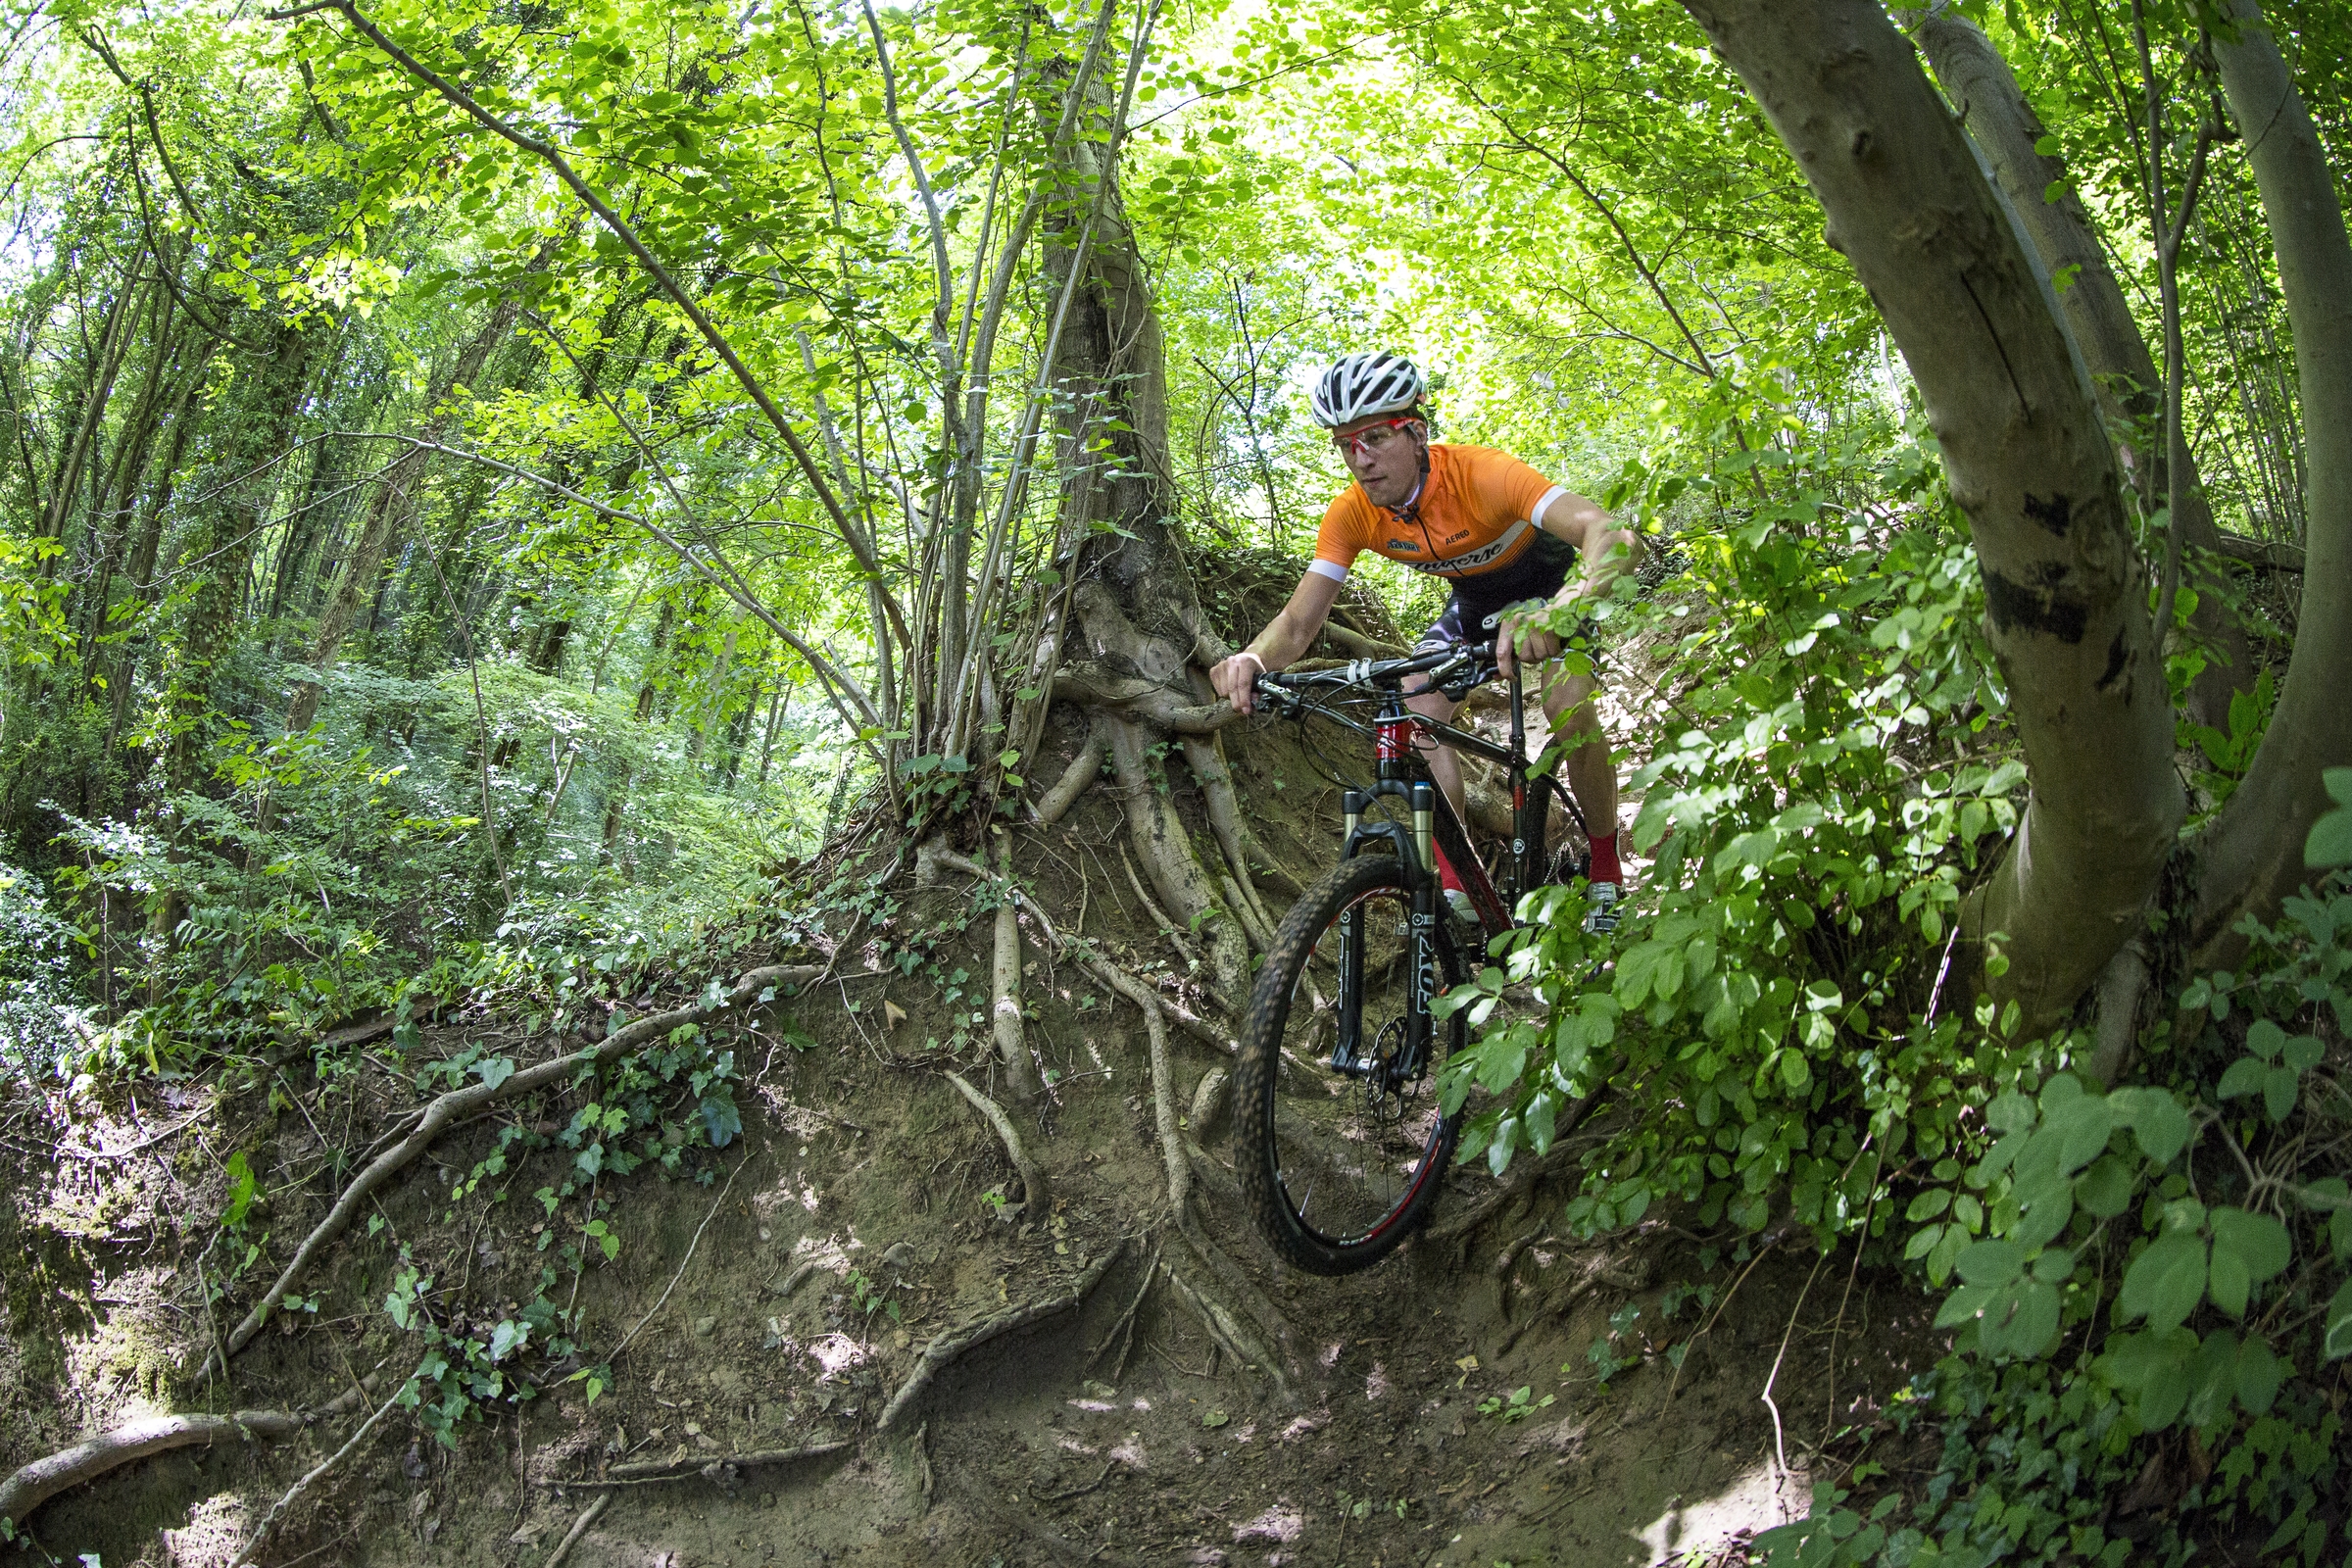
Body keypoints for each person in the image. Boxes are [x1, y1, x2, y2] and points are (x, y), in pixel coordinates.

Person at [1209, 351, 1643, 931]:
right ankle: (1461, 887)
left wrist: (1565, 609)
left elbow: (1611, 533)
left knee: (1568, 708)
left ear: (1416, 432)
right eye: (1345, 445)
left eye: (1375, 437)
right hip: (1474, 608)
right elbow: (1297, 626)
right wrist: (1254, 657)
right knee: (1414, 710)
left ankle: (1607, 869)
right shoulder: (1353, 514)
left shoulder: (1483, 475)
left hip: (1553, 587)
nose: (1360, 460)